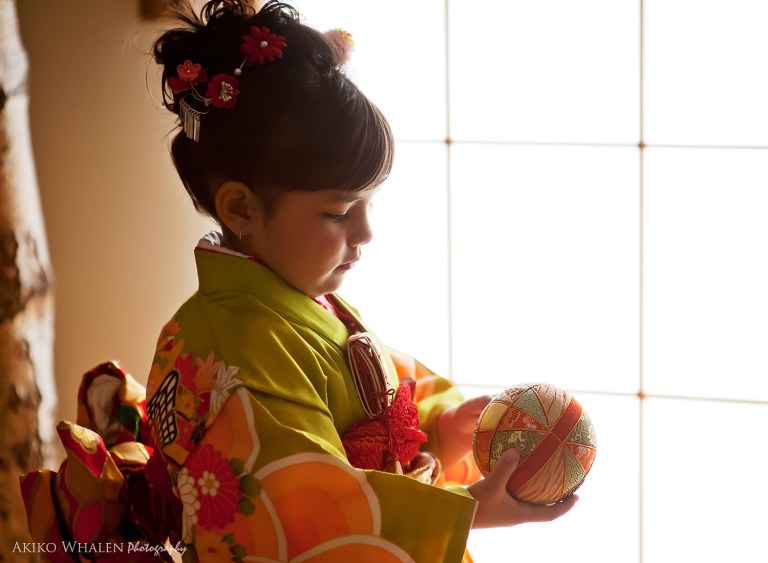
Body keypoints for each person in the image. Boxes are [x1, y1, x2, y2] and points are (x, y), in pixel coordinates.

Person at [20, 1, 575, 561]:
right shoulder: (238, 348)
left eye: (368, 204)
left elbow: (379, 409)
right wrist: (466, 512)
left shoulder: (301, 302)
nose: (365, 232)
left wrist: (441, 427)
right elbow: (301, 514)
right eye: (339, 212)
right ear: (239, 208)